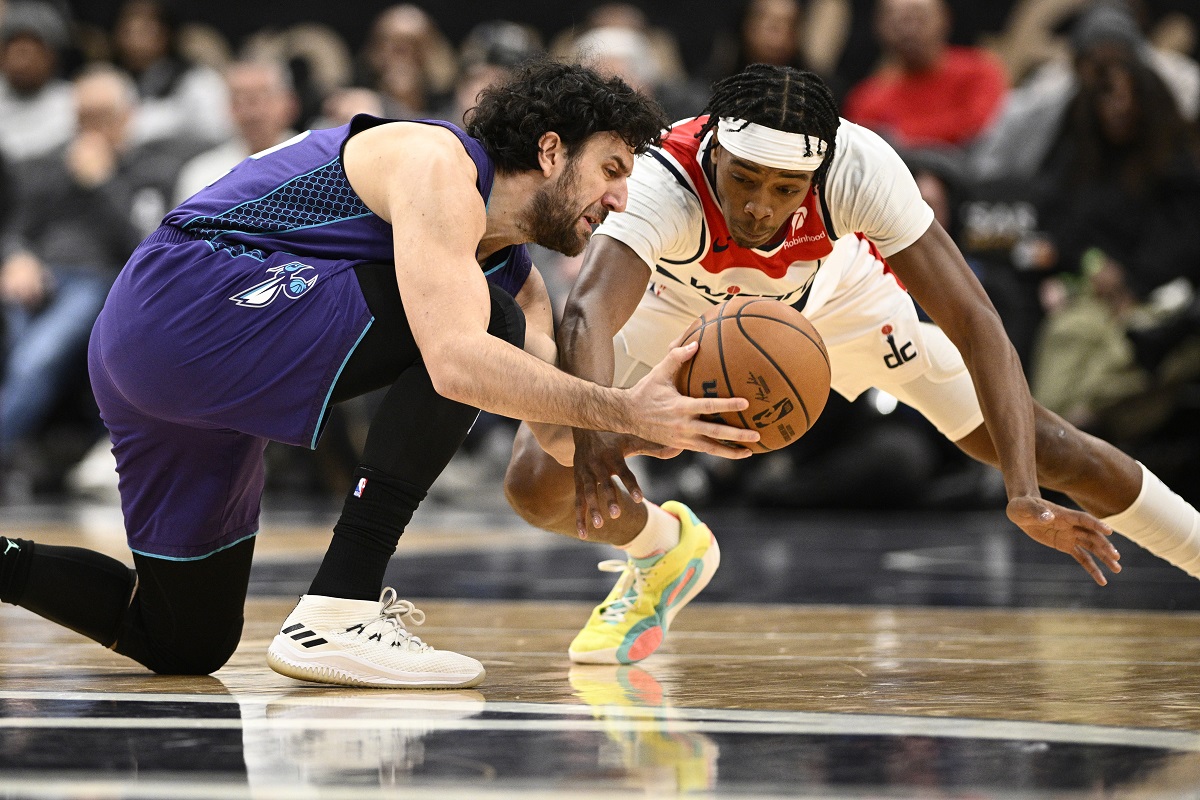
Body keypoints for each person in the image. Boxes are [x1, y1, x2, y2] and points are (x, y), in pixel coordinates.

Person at [0, 59, 759, 689]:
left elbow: (560, 429)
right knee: (474, 333)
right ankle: (340, 607)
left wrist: (662, 460)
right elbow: (460, 362)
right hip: (188, 300)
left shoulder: (514, 275)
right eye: (613, 168)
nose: (621, 198)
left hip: (163, 367)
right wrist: (625, 408)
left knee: (179, 641)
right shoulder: (437, 160)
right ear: (553, 150)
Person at [503, 63, 1200, 667]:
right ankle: (666, 548)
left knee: (1048, 448)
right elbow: (587, 312)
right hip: (681, 310)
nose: (759, 205)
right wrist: (597, 444)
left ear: (816, 171)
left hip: (839, 305)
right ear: (713, 150)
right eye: (744, 179)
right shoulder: (664, 177)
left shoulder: (857, 164)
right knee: (539, 482)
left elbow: (976, 321)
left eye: (785, 189)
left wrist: (1019, 489)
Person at [841, 0, 1009, 150]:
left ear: (945, 19)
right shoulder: (866, 97)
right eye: (898, 21)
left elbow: (979, 125)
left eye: (919, 18)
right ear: (878, 27)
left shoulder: (979, 70)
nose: (908, 30)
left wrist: (900, 136)